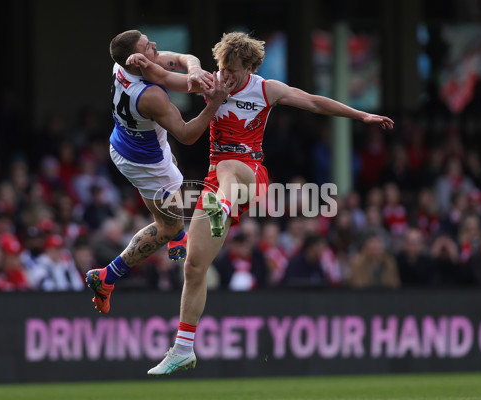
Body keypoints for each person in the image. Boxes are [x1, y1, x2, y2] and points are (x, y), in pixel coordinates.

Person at [129, 31, 394, 375]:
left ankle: (221, 207)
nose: (225, 76)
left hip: (251, 175)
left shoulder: (266, 89)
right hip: (216, 183)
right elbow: (166, 73)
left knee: (227, 166)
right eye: (222, 67)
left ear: (250, 67)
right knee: (193, 267)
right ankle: (183, 348)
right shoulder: (209, 83)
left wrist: (362, 116)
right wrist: (142, 62)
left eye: (234, 70)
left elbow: (314, 102)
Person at [85, 30, 232, 314]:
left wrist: (197, 70)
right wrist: (214, 102)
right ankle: (106, 277)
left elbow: (180, 59)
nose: (154, 46)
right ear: (136, 61)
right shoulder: (151, 96)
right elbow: (188, 135)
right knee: (169, 225)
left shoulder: (123, 64)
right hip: (146, 162)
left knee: (174, 178)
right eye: (147, 47)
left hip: (129, 141)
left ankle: (176, 240)